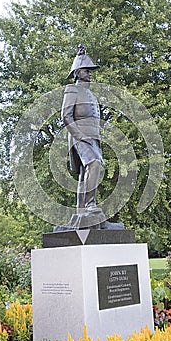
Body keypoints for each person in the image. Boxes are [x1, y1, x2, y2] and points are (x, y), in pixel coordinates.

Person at [62, 44, 105, 215]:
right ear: (78, 72)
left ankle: (81, 211)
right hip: (79, 136)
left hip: (93, 138)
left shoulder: (91, 95)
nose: (90, 73)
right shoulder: (72, 89)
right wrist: (79, 136)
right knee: (94, 165)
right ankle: (90, 205)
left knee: (84, 173)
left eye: (90, 70)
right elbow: (66, 116)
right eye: (87, 70)